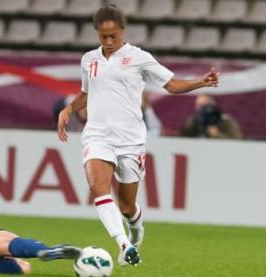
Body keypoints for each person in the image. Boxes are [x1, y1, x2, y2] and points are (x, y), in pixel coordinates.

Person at [57, 4, 219, 268]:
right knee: (98, 186)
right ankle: (123, 244)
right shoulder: (89, 59)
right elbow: (87, 93)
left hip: (130, 139)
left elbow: (171, 84)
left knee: (127, 206)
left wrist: (200, 82)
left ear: (123, 31)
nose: (109, 41)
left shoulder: (139, 57)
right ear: (97, 33)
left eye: (114, 36)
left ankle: (135, 231)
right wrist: (70, 108)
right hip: (97, 136)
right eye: (103, 37)